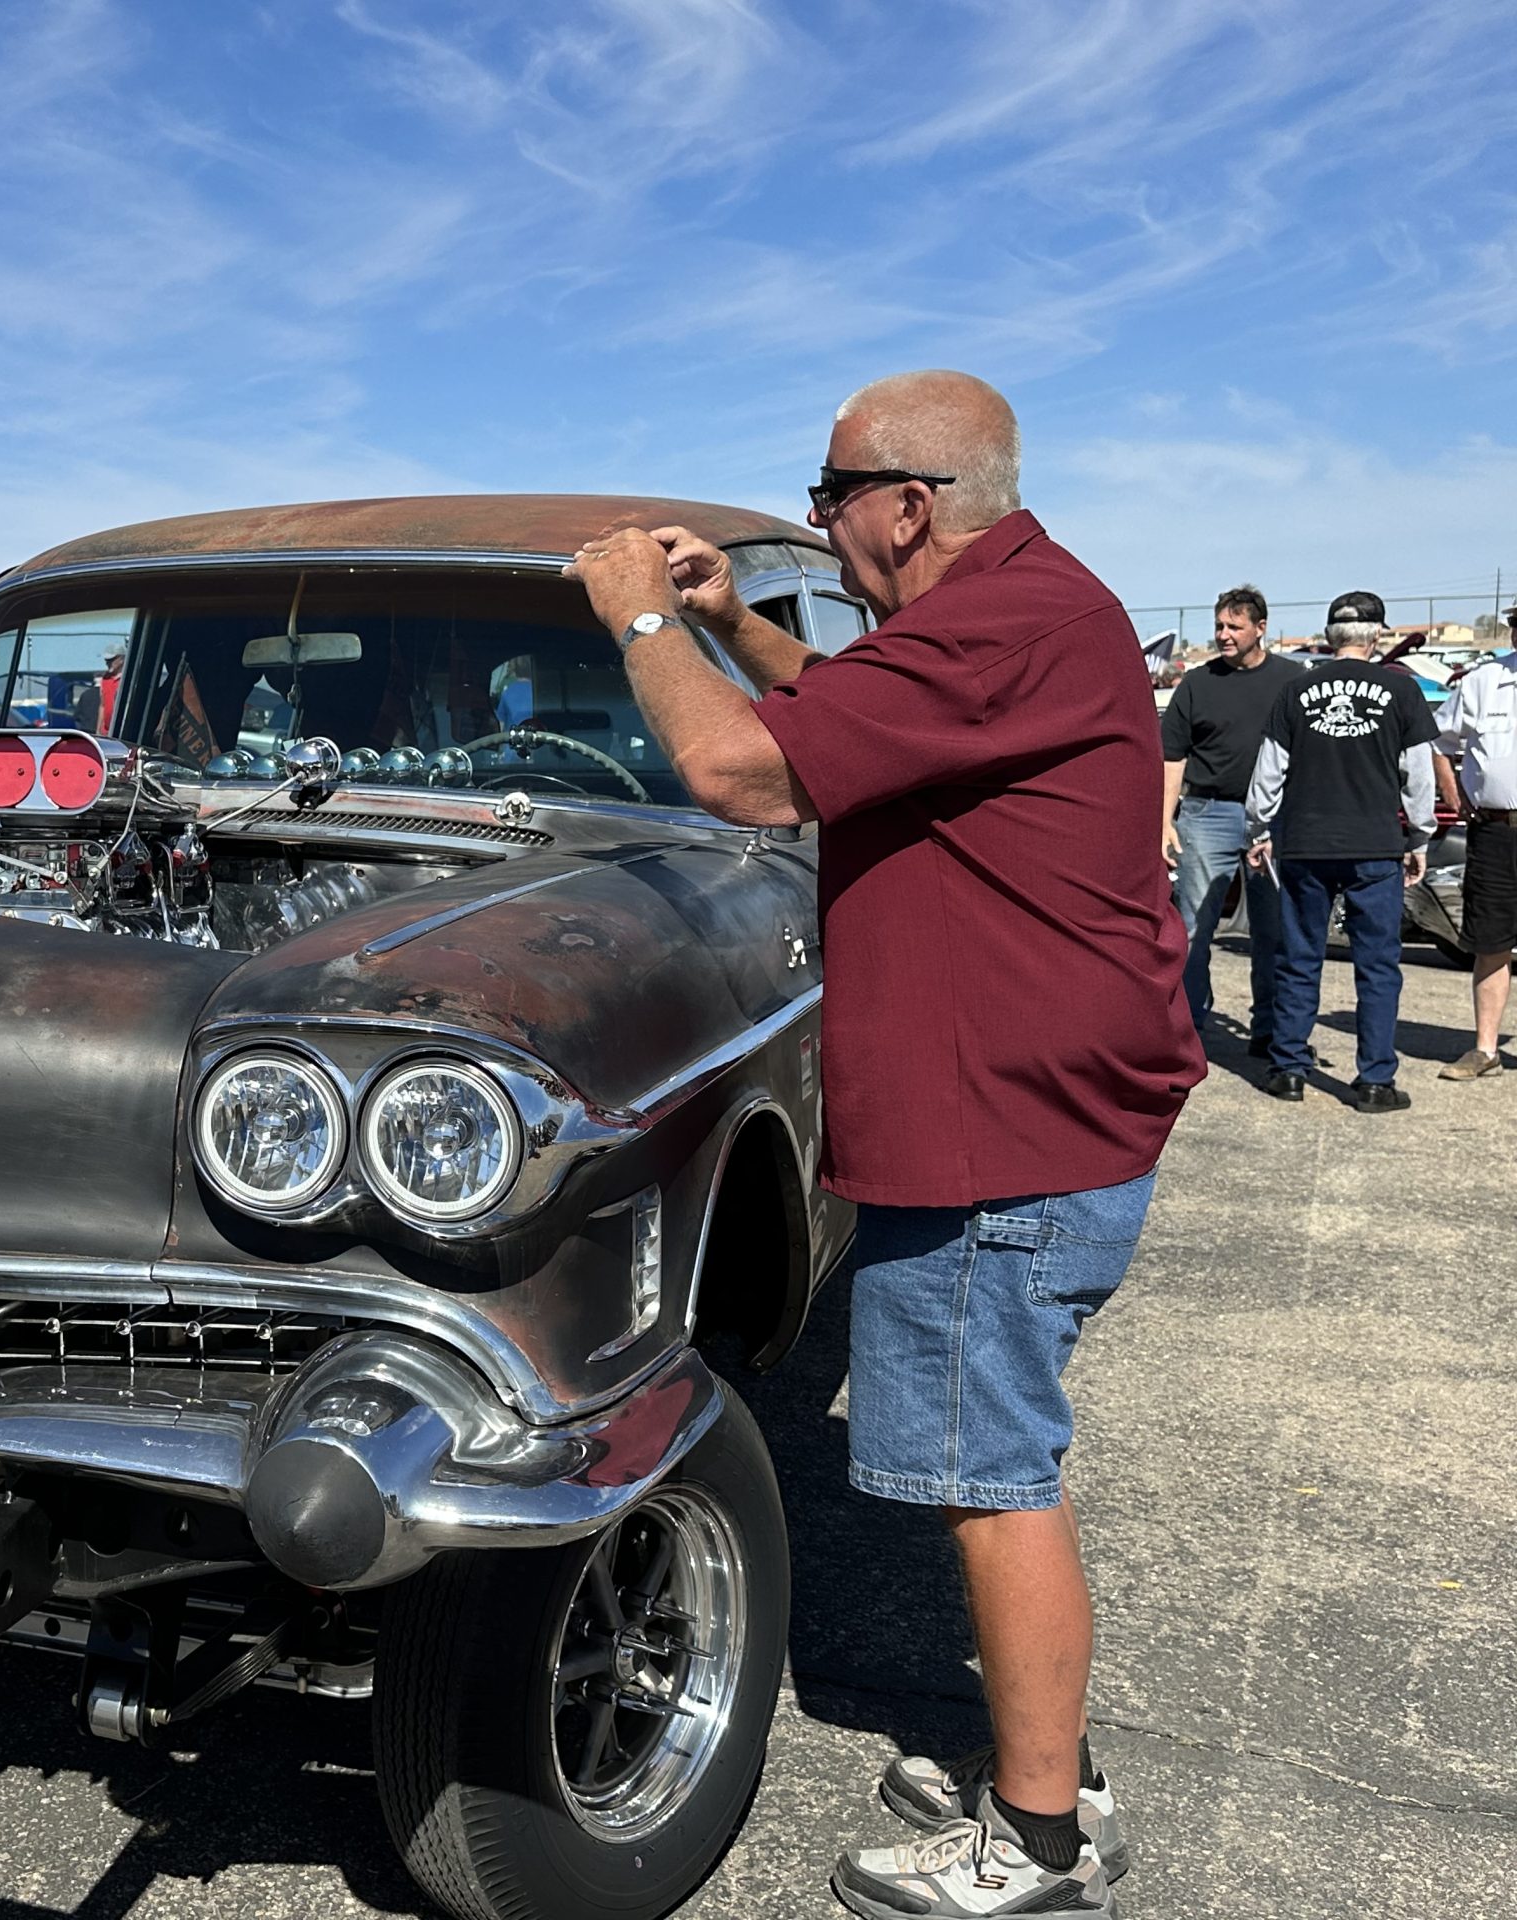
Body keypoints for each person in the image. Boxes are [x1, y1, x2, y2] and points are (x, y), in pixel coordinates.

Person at [568, 370, 1197, 1920]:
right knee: (996, 1463)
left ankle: (1042, 1843)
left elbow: (743, 772)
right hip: (1027, 1110)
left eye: (832, 487)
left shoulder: (1012, 619)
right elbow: (847, 722)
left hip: (1009, 1134)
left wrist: (643, 618)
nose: (816, 514)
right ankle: (1040, 1764)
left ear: (910, 503)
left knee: (995, 1480)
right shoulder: (1017, 612)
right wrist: (728, 624)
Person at [1244, 591, 1437, 1110]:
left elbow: (1269, 772)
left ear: (1330, 637)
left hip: (1305, 843)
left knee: (1300, 957)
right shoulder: (1402, 691)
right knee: (1377, 964)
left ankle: (1287, 1069)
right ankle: (1374, 1079)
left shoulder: (1295, 690)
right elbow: (1417, 776)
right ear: (1376, 637)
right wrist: (1418, 835)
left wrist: (1258, 830)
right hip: (1374, 844)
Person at [1160, 585, 1306, 1051]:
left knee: (1273, 930)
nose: (1223, 635)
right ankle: (1189, 1029)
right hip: (1207, 814)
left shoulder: (1293, 680)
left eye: (1234, 627)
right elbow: (1171, 757)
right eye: (1219, 626)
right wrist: (1164, 821)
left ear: (1260, 629)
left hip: (1275, 819)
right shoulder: (1198, 683)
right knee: (1195, 929)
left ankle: (1269, 1030)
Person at [1433, 610, 1517, 1080]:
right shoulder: (1484, 681)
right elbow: (1441, 741)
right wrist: (1454, 793)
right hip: (1494, 831)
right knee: (1492, 942)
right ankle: (1486, 1049)